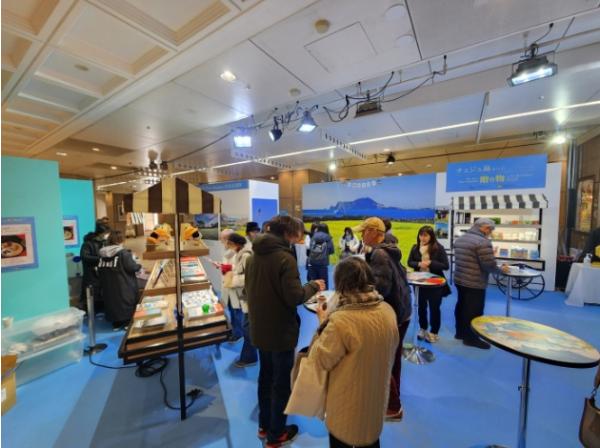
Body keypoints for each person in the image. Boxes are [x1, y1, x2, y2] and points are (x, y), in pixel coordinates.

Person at [245, 215, 325, 447]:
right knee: (281, 383)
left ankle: (264, 425)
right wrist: (314, 286)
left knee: (265, 377)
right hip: (280, 330)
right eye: (299, 232)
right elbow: (294, 297)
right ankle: (276, 434)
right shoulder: (284, 258)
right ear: (289, 233)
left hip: (259, 327)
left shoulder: (253, 255)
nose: (301, 236)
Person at [307, 257, 399, 448]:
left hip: (345, 404)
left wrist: (323, 322)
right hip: (375, 399)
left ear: (340, 283)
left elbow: (320, 360)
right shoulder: (388, 311)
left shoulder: (341, 321)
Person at [353, 217, 411, 421]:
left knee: (384, 361)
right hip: (402, 311)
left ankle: (393, 407)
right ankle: (391, 398)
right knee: (393, 359)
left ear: (373, 232)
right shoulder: (389, 249)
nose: (361, 235)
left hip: (392, 314)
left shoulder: (379, 254)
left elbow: (381, 288)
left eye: (364, 231)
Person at [454, 218, 509, 349]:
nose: (490, 232)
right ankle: (471, 339)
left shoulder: (461, 239)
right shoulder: (483, 242)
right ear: (484, 228)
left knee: (461, 306)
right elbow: (489, 265)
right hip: (475, 281)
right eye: (491, 229)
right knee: (474, 311)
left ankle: (460, 333)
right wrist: (502, 271)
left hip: (460, 279)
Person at [407, 225, 451, 343]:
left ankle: (434, 332)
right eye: (421, 235)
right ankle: (423, 328)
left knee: (434, 308)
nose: (423, 238)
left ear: (431, 236)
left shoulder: (438, 248)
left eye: (426, 235)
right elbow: (410, 262)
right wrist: (418, 264)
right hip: (420, 283)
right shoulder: (415, 248)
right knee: (421, 307)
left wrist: (431, 263)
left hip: (434, 284)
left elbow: (445, 266)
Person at [225, 232, 258, 367]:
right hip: (245, 295)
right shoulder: (240, 253)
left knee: (248, 328)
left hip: (249, 296)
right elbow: (240, 271)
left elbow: (249, 276)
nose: (227, 245)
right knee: (247, 326)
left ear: (235, 243)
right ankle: (249, 356)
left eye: (229, 243)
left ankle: (250, 357)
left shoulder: (246, 255)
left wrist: (232, 280)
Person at [97, 231, 141, 330]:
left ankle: (116, 323)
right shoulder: (123, 253)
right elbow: (132, 267)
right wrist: (138, 264)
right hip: (123, 284)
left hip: (108, 285)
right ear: (121, 240)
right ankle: (127, 323)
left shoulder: (102, 254)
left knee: (112, 302)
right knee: (125, 301)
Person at [216, 229, 243, 342]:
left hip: (236, 289)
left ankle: (239, 334)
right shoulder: (230, 251)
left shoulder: (239, 251)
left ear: (228, 240)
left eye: (222, 240)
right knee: (232, 311)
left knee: (237, 313)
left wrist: (225, 267)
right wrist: (221, 266)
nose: (221, 243)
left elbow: (240, 269)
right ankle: (235, 331)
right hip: (230, 286)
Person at [80, 221, 110, 312]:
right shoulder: (88, 244)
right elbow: (84, 256)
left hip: (101, 272)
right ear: (100, 233)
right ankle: (90, 310)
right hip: (91, 273)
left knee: (101, 292)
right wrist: (100, 259)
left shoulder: (104, 242)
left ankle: (100, 308)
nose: (107, 235)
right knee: (92, 293)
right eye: (106, 233)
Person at [307, 224, 335, 289]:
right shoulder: (328, 237)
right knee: (323, 283)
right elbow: (331, 250)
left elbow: (310, 248)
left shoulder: (313, 236)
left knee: (313, 283)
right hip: (323, 263)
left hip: (312, 263)